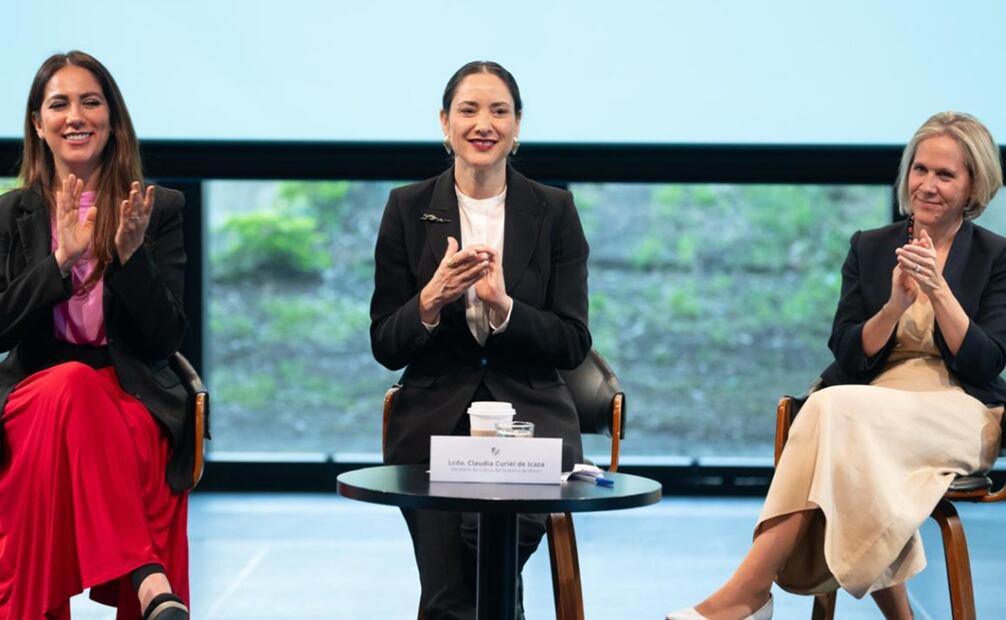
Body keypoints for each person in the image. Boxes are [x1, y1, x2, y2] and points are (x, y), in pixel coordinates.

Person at [667, 110, 1006, 620]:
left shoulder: (995, 256)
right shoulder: (870, 247)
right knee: (842, 427)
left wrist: (938, 292)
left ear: (973, 185)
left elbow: (986, 362)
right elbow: (847, 350)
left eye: (945, 174)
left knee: (830, 411)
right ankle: (755, 597)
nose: (927, 185)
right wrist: (893, 307)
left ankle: (747, 593)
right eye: (920, 169)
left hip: (960, 412)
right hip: (871, 406)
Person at [370, 60, 591, 619]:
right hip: (432, 425)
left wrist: (505, 307)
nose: (483, 124)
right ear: (445, 123)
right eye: (468, 110)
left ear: (517, 127)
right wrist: (429, 300)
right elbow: (386, 345)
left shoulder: (555, 211)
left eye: (499, 111)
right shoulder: (406, 207)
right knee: (459, 591)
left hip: (531, 423)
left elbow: (572, 343)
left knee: (464, 579)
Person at [0, 51, 192, 620]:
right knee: (71, 384)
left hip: (131, 390)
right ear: (39, 123)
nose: (76, 116)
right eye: (59, 104)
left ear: (112, 118)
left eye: (90, 101)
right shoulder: (11, 214)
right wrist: (60, 260)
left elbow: (165, 340)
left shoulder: (156, 209)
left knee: (101, 405)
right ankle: (146, 576)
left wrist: (132, 261)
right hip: (36, 391)